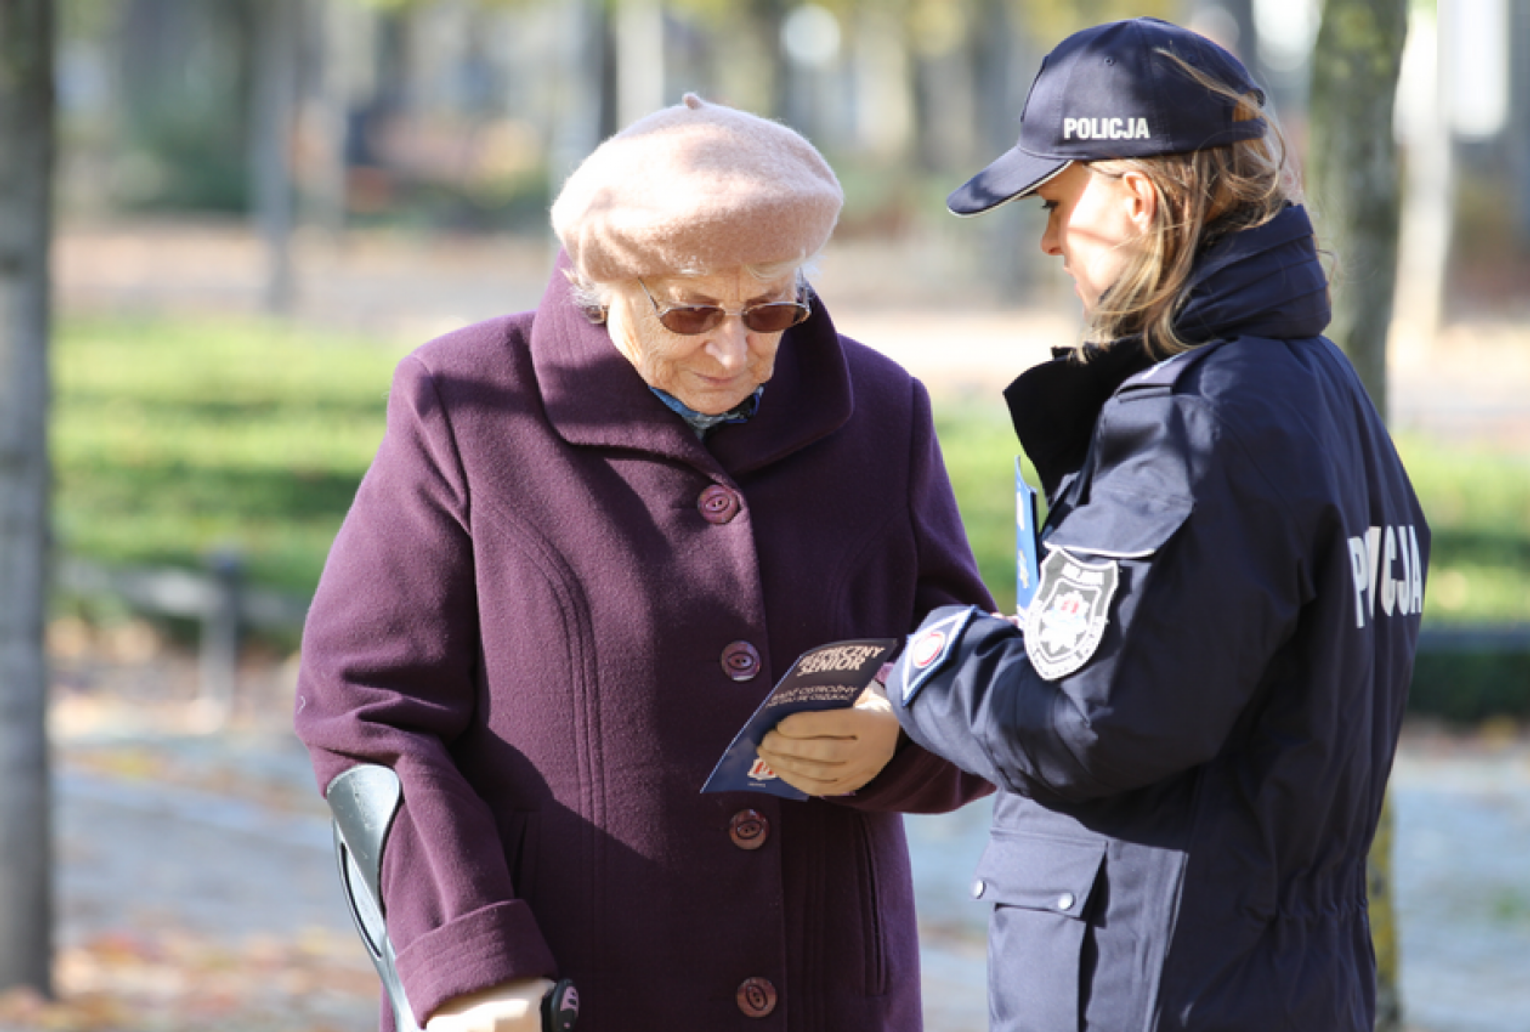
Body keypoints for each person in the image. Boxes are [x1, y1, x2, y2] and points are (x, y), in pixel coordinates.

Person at [293, 93, 995, 1032]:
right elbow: (366, 708)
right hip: (562, 995)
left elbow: (965, 668)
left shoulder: (883, 411)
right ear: (602, 283)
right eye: (691, 310)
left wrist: (899, 733)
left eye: (772, 308)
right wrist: (466, 960)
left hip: (824, 994)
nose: (734, 350)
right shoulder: (463, 403)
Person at [870, 17, 1428, 1032]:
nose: (1049, 243)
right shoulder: (1322, 389)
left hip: (1159, 980)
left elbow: (1086, 721)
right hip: (1275, 973)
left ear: (1134, 195)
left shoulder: (1197, 418)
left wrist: (930, 659)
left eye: (1055, 204)